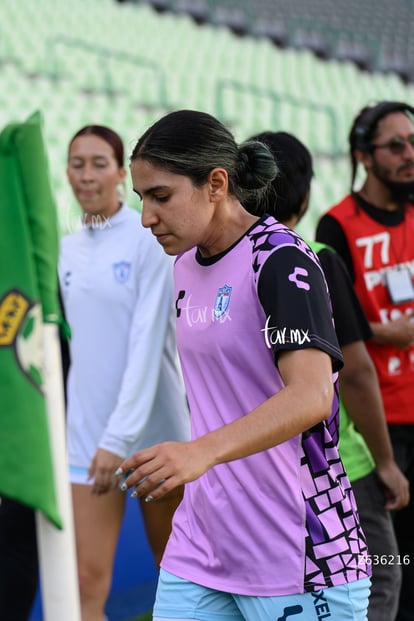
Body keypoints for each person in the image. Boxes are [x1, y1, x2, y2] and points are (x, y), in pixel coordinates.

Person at [116, 109, 371, 621]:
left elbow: (312, 395)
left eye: (160, 196)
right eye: (141, 198)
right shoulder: (184, 264)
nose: (146, 216)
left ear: (216, 183)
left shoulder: (281, 260)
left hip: (298, 548)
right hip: (202, 542)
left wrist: (200, 452)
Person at [245, 130, 409, 621]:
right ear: (306, 190)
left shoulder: (230, 259)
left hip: (256, 460)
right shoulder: (314, 255)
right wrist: (385, 461)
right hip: (334, 462)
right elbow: (356, 373)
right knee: (379, 575)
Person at [58, 125, 190, 621]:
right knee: (84, 584)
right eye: (77, 163)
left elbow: (146, 345)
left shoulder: (146, 237)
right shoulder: (66, 250)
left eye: (98, 163)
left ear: (120, 172)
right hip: (88, 443)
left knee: (179, 580)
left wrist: (118, 437)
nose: (86, 175)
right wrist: (96, 437)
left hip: (152, 441)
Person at [316, 101, 414, 621]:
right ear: (364, 155)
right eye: (394, 145)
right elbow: (339, 330)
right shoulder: (337, 226)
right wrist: (382, 331)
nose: (409, 154)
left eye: (412, 143)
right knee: (392, 560)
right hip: (381, 422)